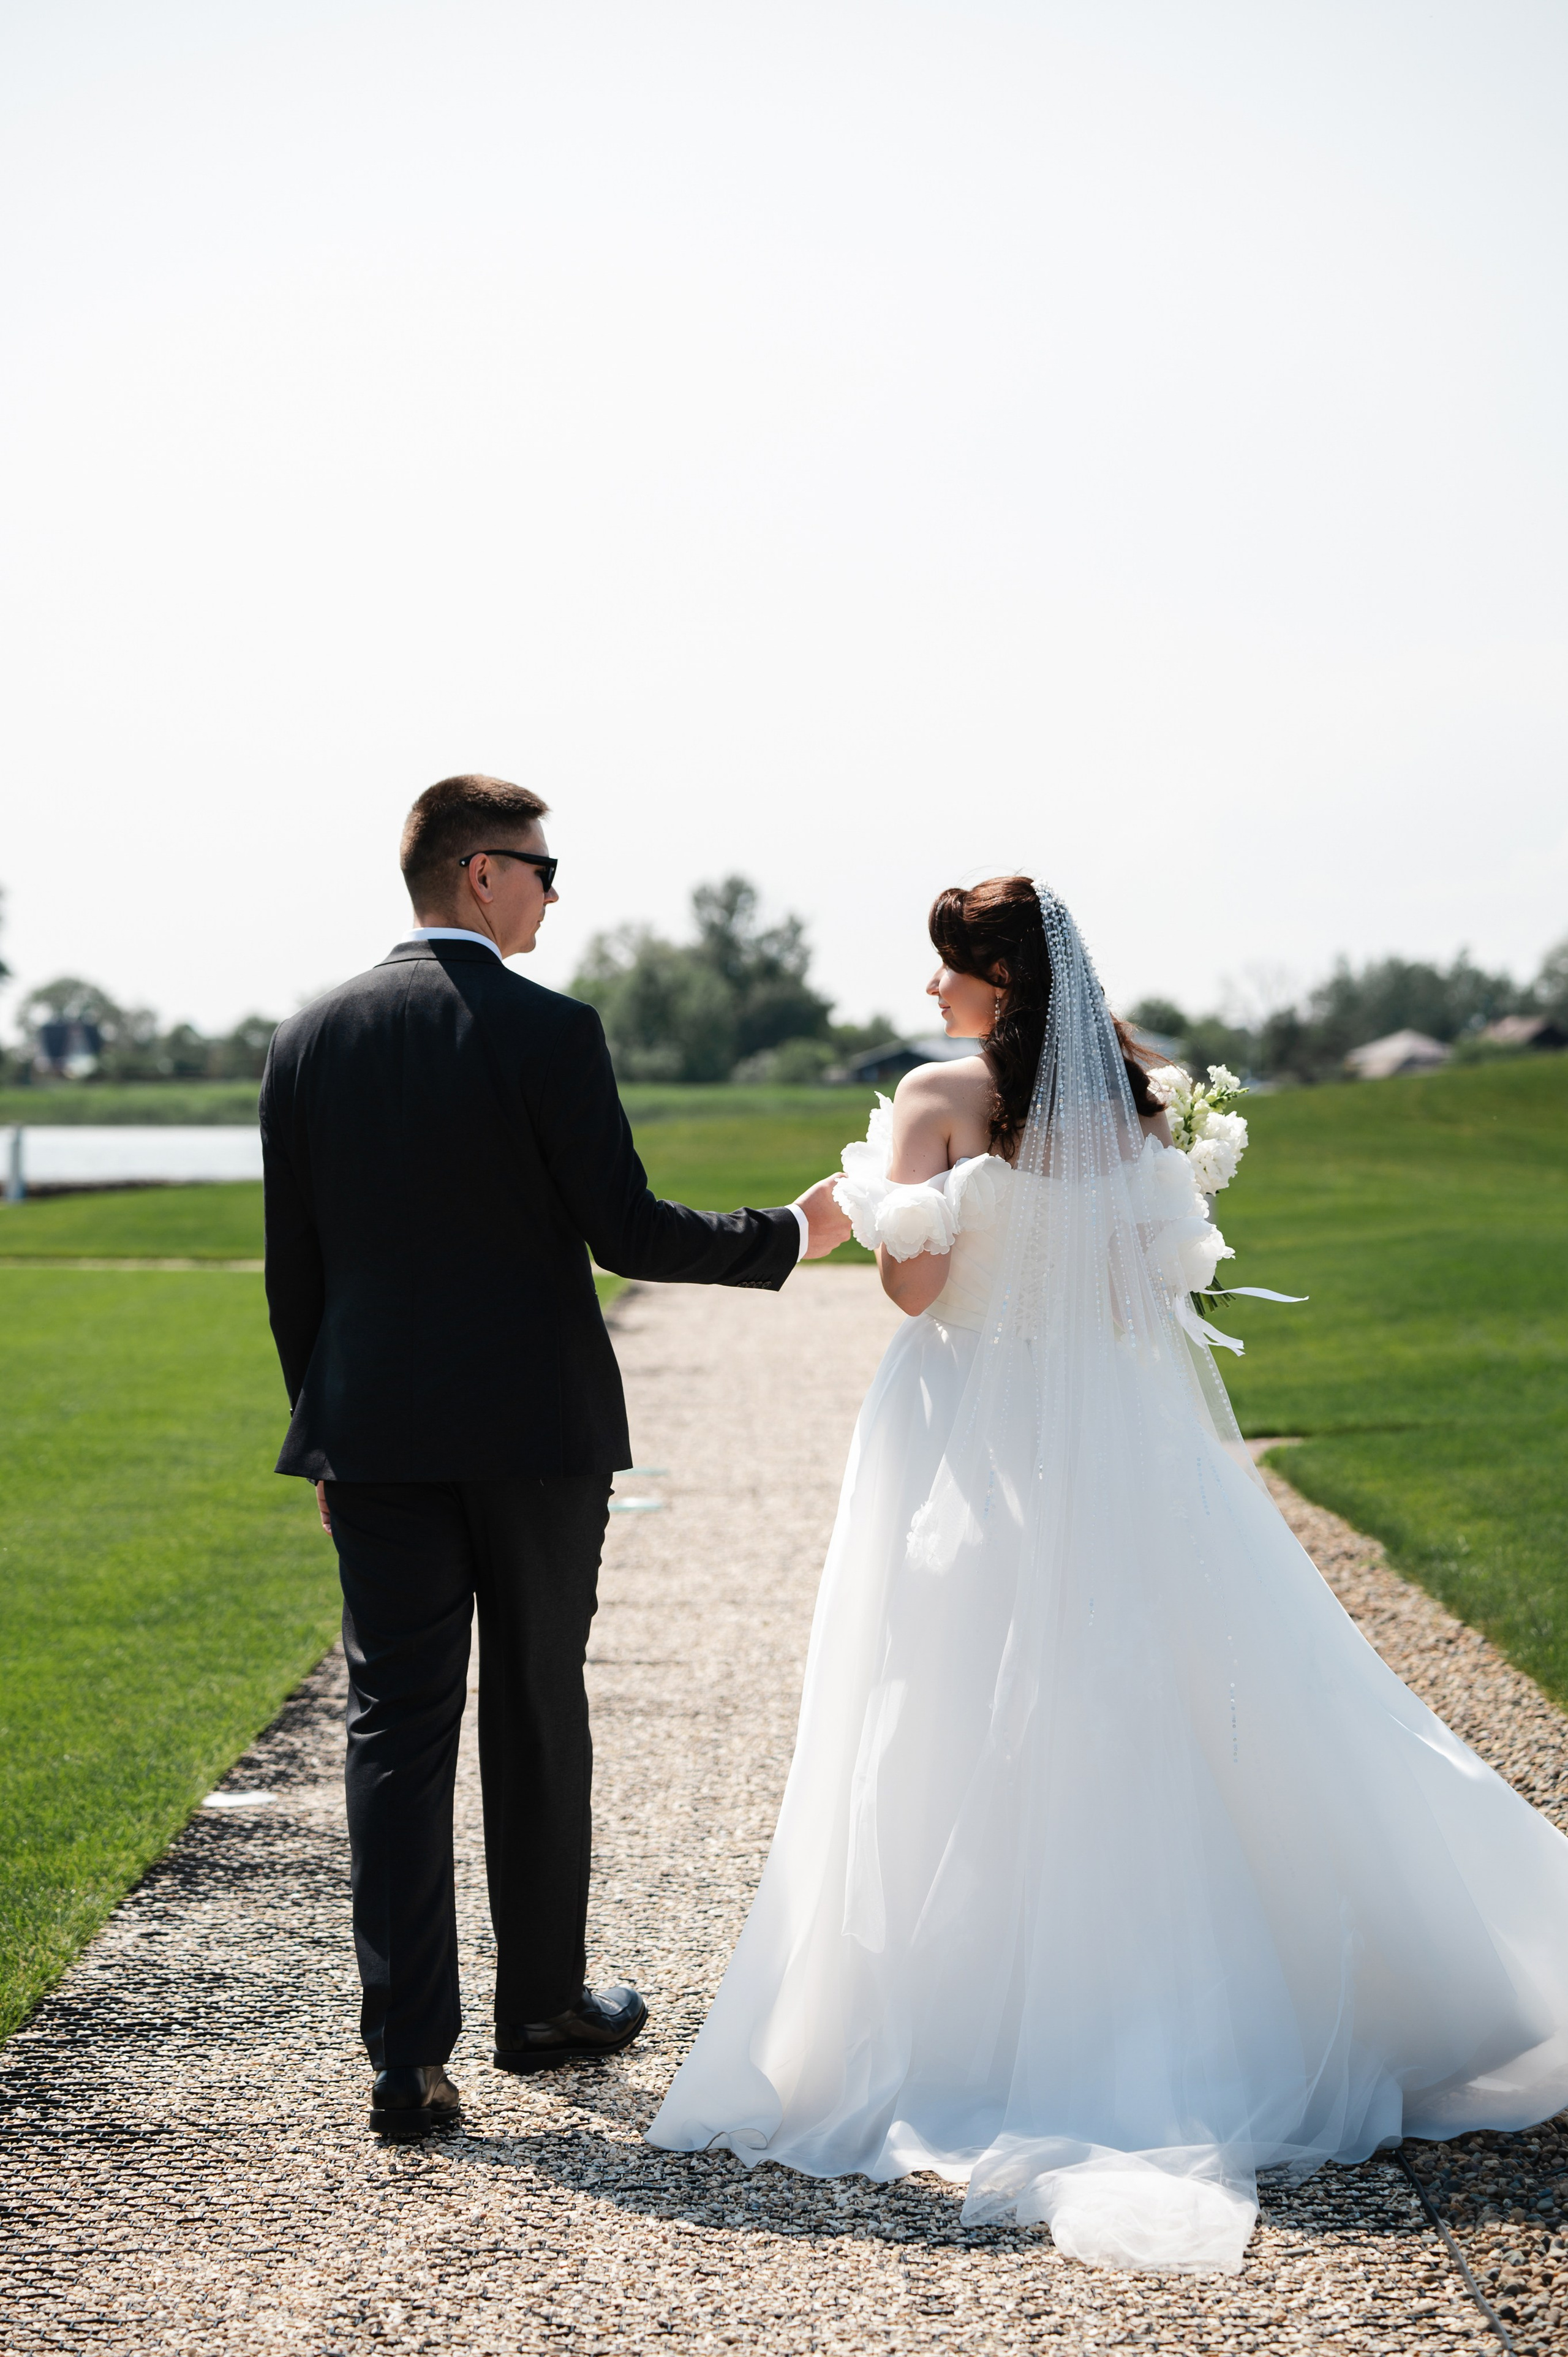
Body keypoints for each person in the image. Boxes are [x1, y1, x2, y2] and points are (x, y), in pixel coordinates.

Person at [647, 875, 1568, 2274]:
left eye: (944, 971)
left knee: (951, 1697)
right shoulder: (1133, 1107)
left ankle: (980, 2017)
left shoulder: (934, 1096)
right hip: (1117, 1434)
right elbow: (1149, 1295)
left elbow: (911, 1289)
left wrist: (888, 1205)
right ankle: (1236, 1993)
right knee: (1174, 1696)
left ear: (995, 983)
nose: (928, 996)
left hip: (969, 1434)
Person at [260, 774, 850, 2140]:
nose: (553, 889)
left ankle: (407, 2058)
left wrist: (329, 1435)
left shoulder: (305, 1039)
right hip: (534, 1436)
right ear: (480, 873)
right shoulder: (549, 1029)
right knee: (534, 1701)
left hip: (376, 1442)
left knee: (394, 1733)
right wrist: (786, 1234)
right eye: (541, 864)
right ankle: (541, 2006)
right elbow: (627, 1232)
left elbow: (298, 1277)